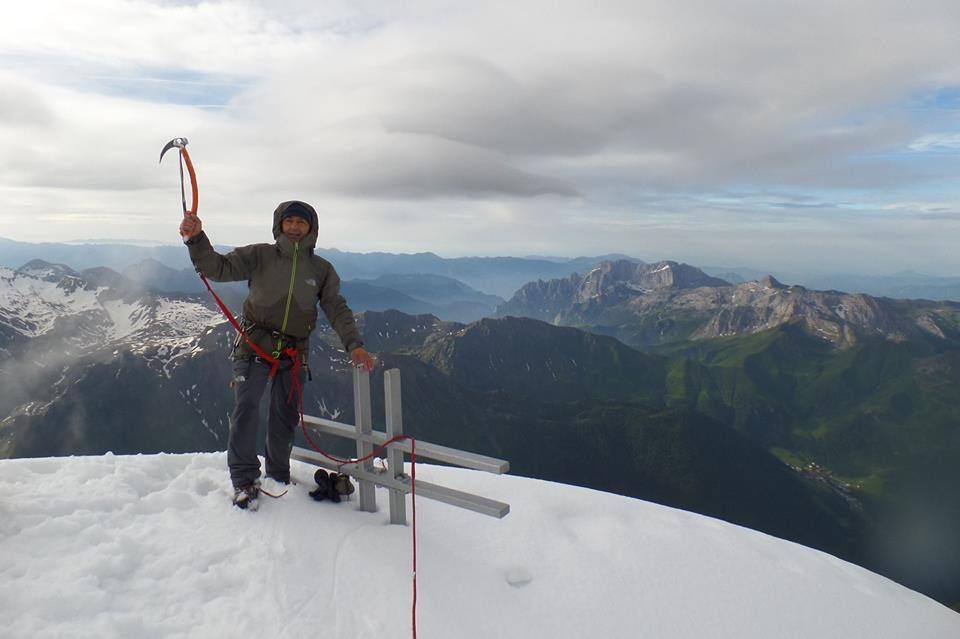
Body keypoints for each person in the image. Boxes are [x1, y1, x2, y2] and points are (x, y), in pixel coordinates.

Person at [180, 200, 375, 509]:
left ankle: (278, 475)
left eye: (301, 222)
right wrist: (197, 239)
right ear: (279, 225)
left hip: (294, 351)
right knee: (246, 408)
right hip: (254, 343)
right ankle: (244, 480)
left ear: (312, 228)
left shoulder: (322, 270)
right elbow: (216, 267)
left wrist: (355, 344)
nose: (295, 227)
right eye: (290, 221)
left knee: (283, 418)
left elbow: (336, 307)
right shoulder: (259, 256)